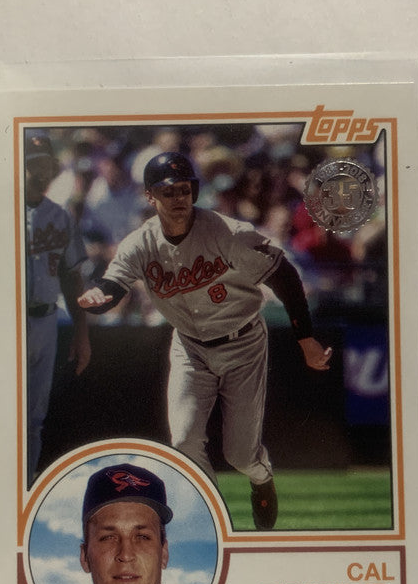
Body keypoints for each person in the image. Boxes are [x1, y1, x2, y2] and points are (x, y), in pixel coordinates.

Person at [77, 152, 332, 530]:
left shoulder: (227, 232)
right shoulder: (140, 243)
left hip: (243, 342)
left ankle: (261, 476)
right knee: (183, 441)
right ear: (150, 196)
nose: (178, 198)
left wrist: (305, 338)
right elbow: (113, 284)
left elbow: (284, 275)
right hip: (190, 347)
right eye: (168, 192)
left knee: (241, 455)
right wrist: (100, 297)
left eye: (184, 189)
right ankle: (216, 521)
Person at [22, 129, 91, 486]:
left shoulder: (60, 217)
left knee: (35, 419)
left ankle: (23, 488)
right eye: (33, 164)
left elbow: (72, 277)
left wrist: (82, 334)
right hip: (9, 323)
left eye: (46, 164)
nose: (41, 172)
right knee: (6, 415)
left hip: (46, 319)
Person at [73, 463, 188, 584]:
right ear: (85, 557)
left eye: (142, 537)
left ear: (164, 553)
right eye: (108, 537)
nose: (126, 555)